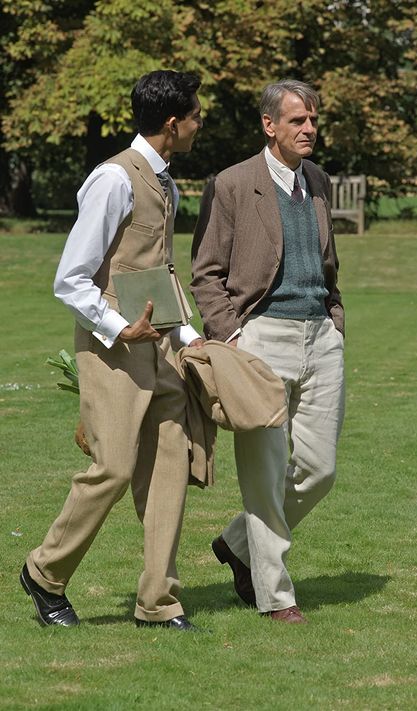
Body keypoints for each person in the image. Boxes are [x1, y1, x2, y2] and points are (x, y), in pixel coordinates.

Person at [20, 70, 204, 631]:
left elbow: (159, 272)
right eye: (196, 116)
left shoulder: (166, 183)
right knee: (115, 467)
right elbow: (71, 279)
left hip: (164, 347)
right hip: (113, 351)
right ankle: (44, 572)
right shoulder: (113, 180)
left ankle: (159, 604)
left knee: (170, 470)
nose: (201, 124)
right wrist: (120, 328)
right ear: (172, 124)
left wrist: (193, 342)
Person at [191, 79, 345, 624]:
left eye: (313, 120)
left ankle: (237, 543)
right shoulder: (232, 185)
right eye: (298, 121)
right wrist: (231, 337)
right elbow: (205, 271)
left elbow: (328, 265)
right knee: (264, 474)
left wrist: (336, 320)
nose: (308, 130)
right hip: (259, 339)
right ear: (269, 125)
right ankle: (276, 595)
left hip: (320, 338)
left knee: (318, 469)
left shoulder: (319, 182)